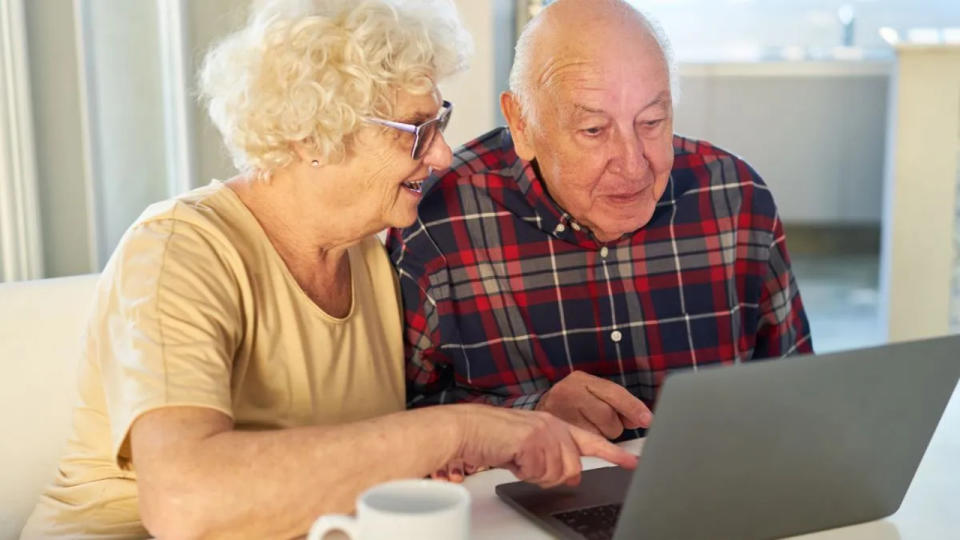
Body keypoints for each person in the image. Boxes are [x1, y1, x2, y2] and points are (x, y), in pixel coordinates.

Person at [20, 1, 636, 538]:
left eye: (439, 122)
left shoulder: (372, 252)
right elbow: (183, 503)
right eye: (416, 131)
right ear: (312, 137)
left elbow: (357, 459)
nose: (444, 153)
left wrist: (520, 424)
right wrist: (461, 431)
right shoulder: (179, 249)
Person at [388, 0, 813, 444]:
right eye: (594, 130)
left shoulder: (736, 198)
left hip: (710, 500)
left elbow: (798, 395)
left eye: (651, 122)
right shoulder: (438, 225)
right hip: (511, 506)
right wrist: (532, 418)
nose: (633, 166)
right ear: (522, 124)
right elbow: (398, 425)